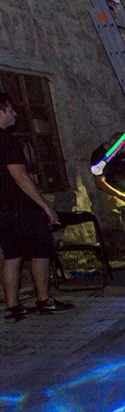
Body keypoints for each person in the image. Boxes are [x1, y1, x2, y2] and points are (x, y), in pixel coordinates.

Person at [0, 91, 74, 322]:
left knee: (12, 255)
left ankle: (13, 307)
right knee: (41, 251)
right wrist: (44, 206)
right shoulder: (7, 141)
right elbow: (20, 177)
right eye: (10, 109)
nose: (14, 114)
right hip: (20, 207)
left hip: (3, 209)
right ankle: (44, 300)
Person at [90, 131, 125, 259]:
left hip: (124, 191)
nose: (123, 151)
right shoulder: (100, 155)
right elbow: (100, 182)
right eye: (121, 148)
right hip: (111, 194)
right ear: (113, 141)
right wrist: (120, 195)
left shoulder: (121, 154)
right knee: (122, 222)